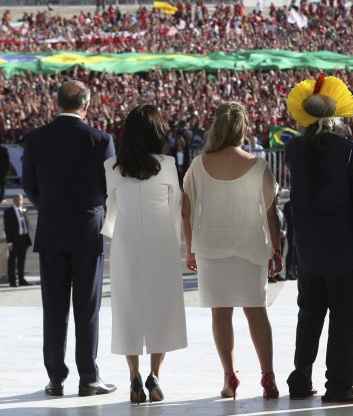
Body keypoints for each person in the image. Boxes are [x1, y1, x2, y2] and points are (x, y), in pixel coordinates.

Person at [284, 74, 353, 404]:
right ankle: (338, 385)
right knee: (342, 320)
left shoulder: (293, 149)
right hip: (343, 250)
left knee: (308, 316)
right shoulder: (348, 151)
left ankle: (300, 379)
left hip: (308, 250)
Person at [181, 101, 283, 400]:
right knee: (256, 312)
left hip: (211, 246)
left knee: (221, 314)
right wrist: (276, 250)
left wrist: (190, 250)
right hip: (251, 246)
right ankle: (268, 376)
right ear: (243, 129)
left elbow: (186, 212)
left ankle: (229, 377)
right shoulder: (258, 165)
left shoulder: (198, 165)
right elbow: (272, 215)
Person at [22, 80, 117, 397]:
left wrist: (50, 208)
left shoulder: (36, 138)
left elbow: (29, 185)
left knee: (54, 309)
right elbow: (109, 188)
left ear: (57, 103)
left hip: (52, 230)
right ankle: (88, 377)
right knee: (87, 309)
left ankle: (55, 378)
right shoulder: (101, 140)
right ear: (86, 105)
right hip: (87, 232)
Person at [101, 105, 188, 404]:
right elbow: (175, 207)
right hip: (161, 240)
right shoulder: (167, 164)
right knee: (161, 306)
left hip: (126, 241)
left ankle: (134, 376)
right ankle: (155, 375)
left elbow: (111, 209)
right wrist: (175, 240)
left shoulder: (112, 167)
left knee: (127, 307)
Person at [5, 194, 32, 287]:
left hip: (23, 239)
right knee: (12, 261)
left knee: (22, 260)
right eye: (17, 200)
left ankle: (21, 280)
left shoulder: (23, 210)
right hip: (14, 240)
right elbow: (7, 227)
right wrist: (9, 242)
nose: (19, 201)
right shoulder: (9, 212)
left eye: (20, 200)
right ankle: (12, 281)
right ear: (13, 200)